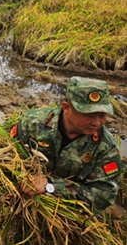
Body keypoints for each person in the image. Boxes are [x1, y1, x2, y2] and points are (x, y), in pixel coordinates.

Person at [11, 76, 125, 211]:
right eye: (89, 116)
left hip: (72, 214)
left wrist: (51, 186)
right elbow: (9, 152)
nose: (97, 123)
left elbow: (104, 195)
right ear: (66, 108)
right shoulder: (33, 123)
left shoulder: (106, 147)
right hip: (23, 202)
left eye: (102, 116)